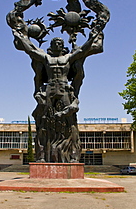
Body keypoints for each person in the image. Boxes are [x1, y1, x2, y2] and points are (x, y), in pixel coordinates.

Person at [12, 29, 101, 163]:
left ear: (63, 45)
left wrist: (92, 38)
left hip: (64, 88)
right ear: (52, 46)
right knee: (44, 120)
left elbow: (82, 51)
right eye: (55, 42)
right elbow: (31, 50)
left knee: (69, 120)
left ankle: (72, 155)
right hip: (50, 89)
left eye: (60, 43)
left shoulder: (68, 58)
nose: (58, 44)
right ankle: (42, 156)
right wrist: (21, 37)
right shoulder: (47, 58)